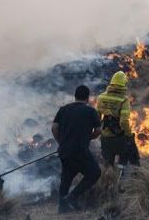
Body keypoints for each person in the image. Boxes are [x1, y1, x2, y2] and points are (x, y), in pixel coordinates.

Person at [52, 85, 102, 213]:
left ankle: (62, 207)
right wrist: (88, 138)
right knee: (94, 173)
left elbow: (54, 128)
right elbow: (98, 130)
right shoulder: (91, 111)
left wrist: (61, 142)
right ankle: (72, 197)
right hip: (80, 151)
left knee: (66, 177)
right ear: (88, 98)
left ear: (75, 96)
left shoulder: (63, 109)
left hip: (64, 150)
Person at [96, 71, 140, 169]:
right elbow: (124, 122)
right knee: (131, 155)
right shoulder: (124, 100)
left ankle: (108, 181)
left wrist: (100, 134)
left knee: (108, 165)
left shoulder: (101, 97)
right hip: (119, 139)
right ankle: (134, 175)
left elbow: (97, 119)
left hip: (105, 139)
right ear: (124, 84)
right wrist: (129, 135)